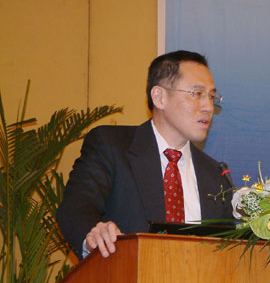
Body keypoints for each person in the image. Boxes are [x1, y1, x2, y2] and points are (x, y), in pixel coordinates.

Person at [57, 50, 233, 260]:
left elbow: (227, 252)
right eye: (197, 94)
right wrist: (93, 235)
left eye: (211, 96)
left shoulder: (215, 175)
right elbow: (76, 208)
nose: (208, 107)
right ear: (159, 97)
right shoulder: (112, 146)